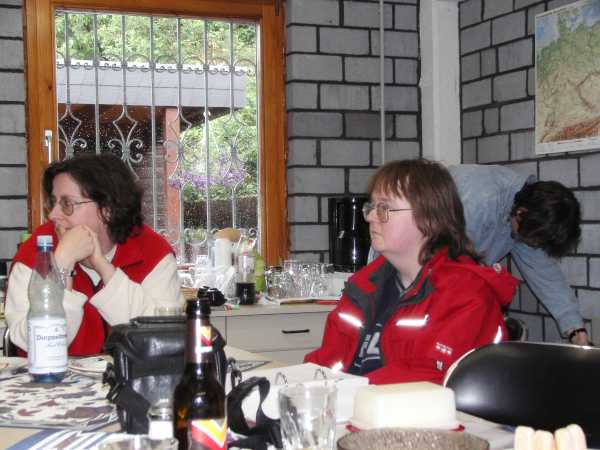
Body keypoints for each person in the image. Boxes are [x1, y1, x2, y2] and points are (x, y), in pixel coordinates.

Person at [305, 159, 518, 385]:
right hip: (352, 401)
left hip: (401, 405)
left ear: (430, 219)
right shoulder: (364, 285)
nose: (370, 217)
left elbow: (432, 378)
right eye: (372, 207)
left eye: (385, 208)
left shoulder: (465, 294)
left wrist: (349, 391)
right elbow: (328, 360)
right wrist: (300, 386)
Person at [369, 164, 586, 345]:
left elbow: (544, 273)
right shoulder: (480, 201)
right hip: (401, 270)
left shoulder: (527, 211)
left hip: (434, 280)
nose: (530, 245)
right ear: (520, 214)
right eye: (531, 241)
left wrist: (575, 328)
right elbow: (439, 260)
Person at [5, 153, 184, 356]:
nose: (53, 215)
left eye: (67, 204)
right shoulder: (34, 252)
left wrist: (103, 268)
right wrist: (61, 264)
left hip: (134, 375)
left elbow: (163, 338)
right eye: (53, 202)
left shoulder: (153, 252)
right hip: (52, 376)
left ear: (107, 209)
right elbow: (33, 343)